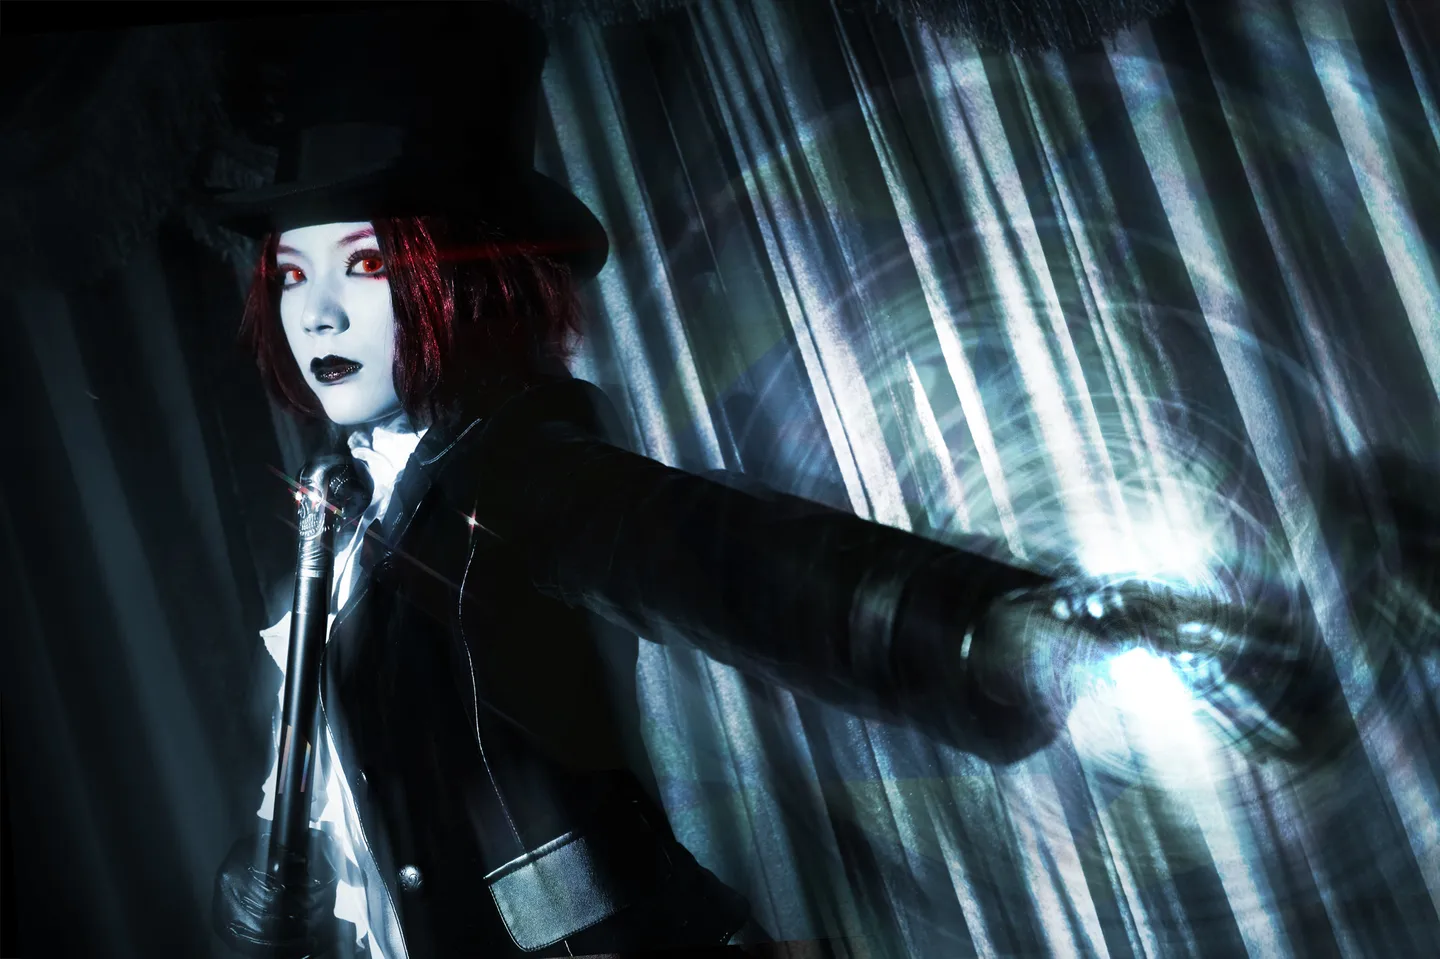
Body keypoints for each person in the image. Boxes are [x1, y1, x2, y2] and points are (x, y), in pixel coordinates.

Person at [204, 5, 1293, 958]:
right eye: (293, 274)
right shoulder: (344, 513)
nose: (319, 314)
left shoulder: (513, 467)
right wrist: (260, 886)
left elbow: (720, 555)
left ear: (463, 277)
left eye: (367, 263)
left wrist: (982, 628)